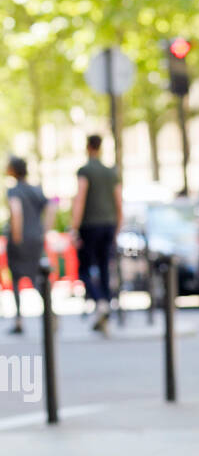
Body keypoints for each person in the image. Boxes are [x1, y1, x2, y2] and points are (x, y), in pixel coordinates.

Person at [69, 134, 122, 335]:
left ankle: (100, 302)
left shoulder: (85, 171)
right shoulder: (111, 172)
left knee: (84, 269)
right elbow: (118, 201)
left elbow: (80, 198)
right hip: (108, 224)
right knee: (104, 267)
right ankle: (105, 305)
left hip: (90, 225)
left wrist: (74, 227)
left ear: (87, 147)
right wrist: (118, 226)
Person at [5, 157, 54, 335]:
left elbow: (16, 212)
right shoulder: (36, 190)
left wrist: (17, 235)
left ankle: (19, 320)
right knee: (37, 278)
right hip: (36, 239)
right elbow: (52, 205)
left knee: (17, 278)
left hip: (20, 239)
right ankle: (51, 315)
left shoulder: (14, 191)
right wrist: (44, 230)